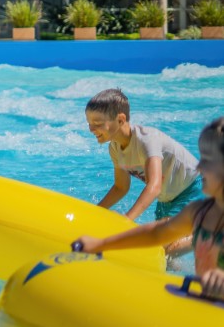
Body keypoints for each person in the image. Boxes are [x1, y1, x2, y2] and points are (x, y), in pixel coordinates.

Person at [75, 118, 224, 301]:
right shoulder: (198, 212)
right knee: (165, 251)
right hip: (204, 306)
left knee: (169, 250)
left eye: (209, 161)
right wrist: (100, 244)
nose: (199, 167)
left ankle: (195, 236)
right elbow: (156, 233)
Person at [84, 88, 201, 228]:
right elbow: (121, 187)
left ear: (120, 119)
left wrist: (127, 219)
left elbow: (154, 185)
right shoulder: (115, 148)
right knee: (156, 245)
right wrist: (95, 212)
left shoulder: (146, 140)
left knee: (167, 245)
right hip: (167, 200)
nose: (91, 129)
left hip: (195, 189)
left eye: (97, 124)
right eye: (89, 124)